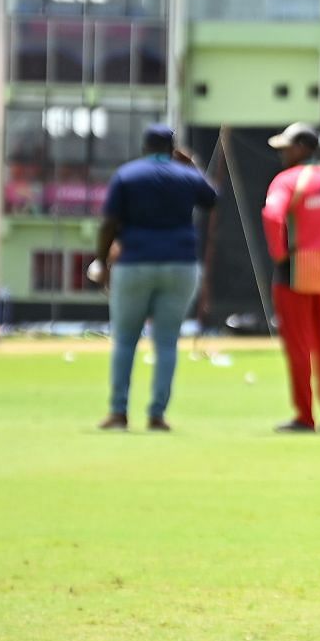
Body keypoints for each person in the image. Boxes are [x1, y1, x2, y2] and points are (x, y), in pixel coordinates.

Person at [89, 124, 217, 431]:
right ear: (172, 148)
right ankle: (157, 415)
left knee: (124, 342)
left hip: (135, 263)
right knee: (167, 344)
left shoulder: (128, 174)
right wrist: (195, 167)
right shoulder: (186, 175)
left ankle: (119, 413)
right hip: (180, 265)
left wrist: (103, 260)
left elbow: (109, 223)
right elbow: (212, 199)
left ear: (145, 146)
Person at [261, 122, 320, 433]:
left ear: (303, 147)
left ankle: (305, 417)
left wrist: (279, 254)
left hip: (294, 271)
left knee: (299, 347)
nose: (282, 154)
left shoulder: (287, 180)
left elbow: (272, 215)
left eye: (287, 147)